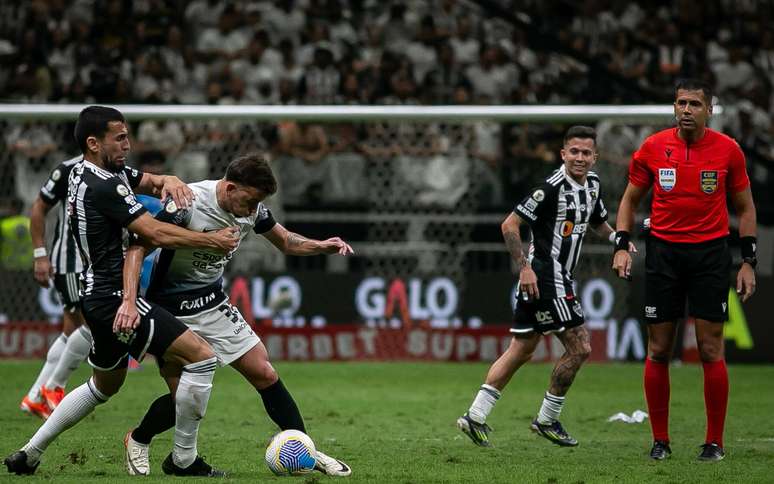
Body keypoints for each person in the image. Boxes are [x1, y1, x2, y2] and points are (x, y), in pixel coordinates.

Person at [4, 106, 240, 477]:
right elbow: (154, 234)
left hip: (94, 296)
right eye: (120, 138)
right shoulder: (107, 184)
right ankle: (183, 461)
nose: (128, 144)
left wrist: (170, 179)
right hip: (116, 300)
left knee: (103, 386)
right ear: (94, 142)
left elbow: (146, 180)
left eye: (128, 136)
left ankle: (29, 452)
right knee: (202, 359)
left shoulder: (83, 173)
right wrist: (211, 241)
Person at [119, 153, 354, 477]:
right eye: (250, 200)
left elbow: (285, 241)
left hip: (212, 302)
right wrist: (130, 302)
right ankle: (140, 439)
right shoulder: (188, 202)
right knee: (182, 400)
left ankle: (304, 449)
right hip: (170, 307)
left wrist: (321, 246)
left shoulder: (253, 210)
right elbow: (139, 246)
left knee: (265, 372)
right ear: (229, 188)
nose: (253, 209)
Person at [457, 126, 633, 447]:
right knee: (580, 347)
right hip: (546, 275)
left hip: (550, 278)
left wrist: (618, 239)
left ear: (595, 157)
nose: (580, 158)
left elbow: (596, 222)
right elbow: (509, 224)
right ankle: (547, 420)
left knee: (521, 348)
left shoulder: (592, 185)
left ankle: (475, 416)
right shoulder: (549, 188)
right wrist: (523, 267)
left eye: (586, 153)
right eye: (574, 152)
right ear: (563, 154)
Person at [612, 78, 758, 462]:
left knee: (711, 349)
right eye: (681, 103)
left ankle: (714, 443)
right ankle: (660, 441)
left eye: (694, 103)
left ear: (710, 109)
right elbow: (628, 201)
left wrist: (748, 262)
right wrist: (622, 244)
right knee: (658, 349)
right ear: (673, 107)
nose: (686, 110)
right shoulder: (654, 148)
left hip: (710, 256)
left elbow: (745, 209)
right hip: (663, 255)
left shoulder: (728, 151)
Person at [21, 155, 93, 420]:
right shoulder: (68, 170)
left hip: (92, 263)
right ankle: (53, 388)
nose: (125, 144)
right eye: (118, 137)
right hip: (71, 262)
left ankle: (36, 396)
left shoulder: (118, 170)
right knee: (91, 325)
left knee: (71, 329)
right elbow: (39, 207)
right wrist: (41, 254)